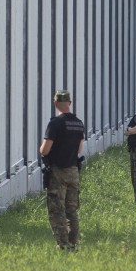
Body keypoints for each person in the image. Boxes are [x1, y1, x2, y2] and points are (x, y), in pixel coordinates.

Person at [40, 90, 86, 250]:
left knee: (57, 209)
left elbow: (45, 150)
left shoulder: (55, 123)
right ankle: (74, 243)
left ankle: (63, 245)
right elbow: (79, 149)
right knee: (71, 210)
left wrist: (41, 148)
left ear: (55, 104)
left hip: (58, 172)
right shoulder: (79, 123)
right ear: (70, 103)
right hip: (73, 171)